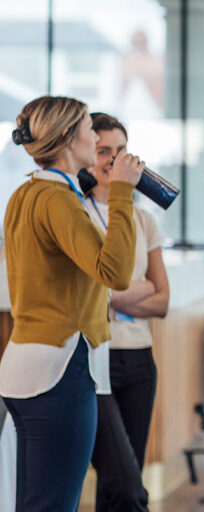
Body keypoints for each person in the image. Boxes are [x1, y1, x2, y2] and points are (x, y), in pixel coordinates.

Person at [0, 95, 142, 511]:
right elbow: (114, 272)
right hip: (59, 370)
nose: (94, 136)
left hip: (22, 365)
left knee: (33, 501)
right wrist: (122, 194)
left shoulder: (23, 195)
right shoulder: (58, 200)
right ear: (66, 137)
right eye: (87, 127)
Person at [84, 112, 169, 511]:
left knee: (123, 476)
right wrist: (135, 290)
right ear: (87, 155)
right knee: (122, 481)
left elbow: (162, 301)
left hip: (138, 360)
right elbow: (86, 293)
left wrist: (109, 294)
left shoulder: (143, 219)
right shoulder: (77, 213)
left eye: (121, 151)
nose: (114, 162)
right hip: (93, 358)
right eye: (104, 151)